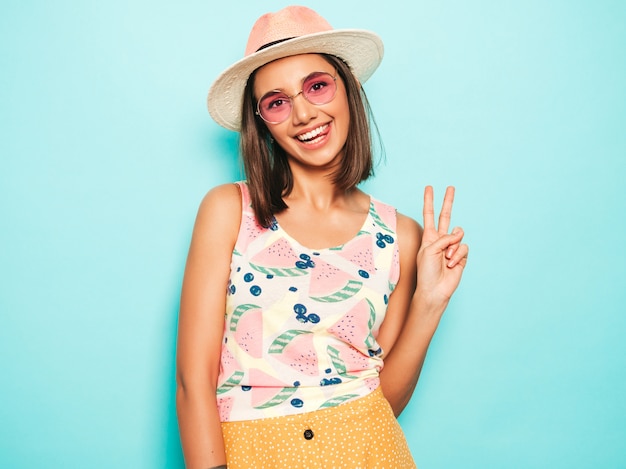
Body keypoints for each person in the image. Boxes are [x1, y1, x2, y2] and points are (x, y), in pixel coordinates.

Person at [176, 5, 468, 469]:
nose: (304, 113)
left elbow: (384, 399)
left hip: (370, 449)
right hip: (254, 451)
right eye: (277, 101)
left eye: (317, 86)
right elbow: (194, 382)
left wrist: (430, 302)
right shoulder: (229, 210)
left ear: (347, 90)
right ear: (263, 124)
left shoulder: (402, 236)